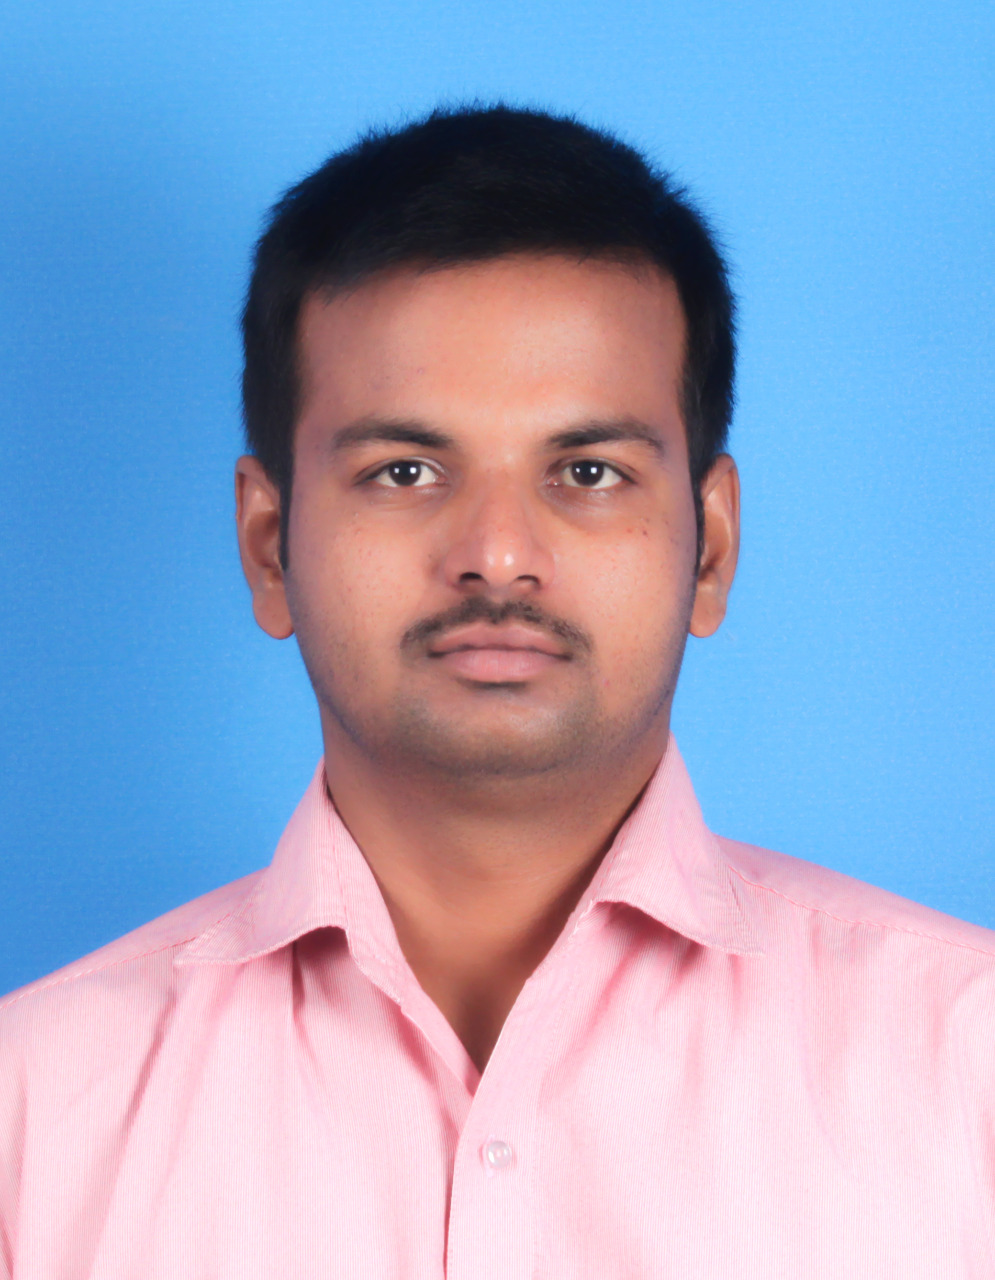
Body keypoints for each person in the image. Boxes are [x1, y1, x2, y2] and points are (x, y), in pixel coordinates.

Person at [0, 103, 992, 1279]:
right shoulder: (32, 1112)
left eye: (588, 470)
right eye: (404, 470)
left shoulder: (965, 1059)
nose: (498, 555)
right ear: (268, 545)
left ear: (710, 547)